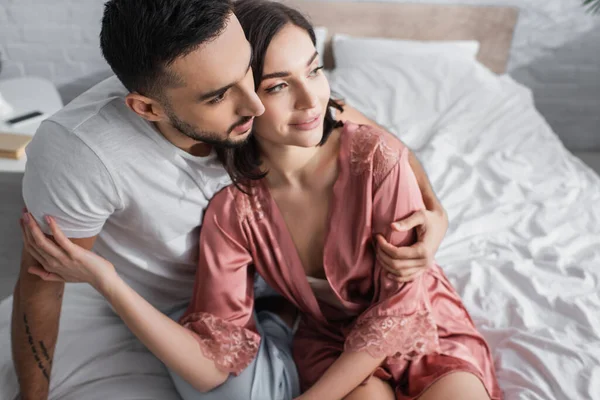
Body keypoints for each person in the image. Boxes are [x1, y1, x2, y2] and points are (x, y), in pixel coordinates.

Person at [20, 1, 500, 399]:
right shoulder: (227, 208)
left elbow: (357, 129)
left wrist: (436, 211)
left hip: (419, 322)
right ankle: (279, 320)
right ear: (148, 107)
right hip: (315, 331)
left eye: (314, 69)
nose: (253, 103)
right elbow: (42, 283)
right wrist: (105, 282)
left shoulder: (356, 145)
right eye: (272, 86)